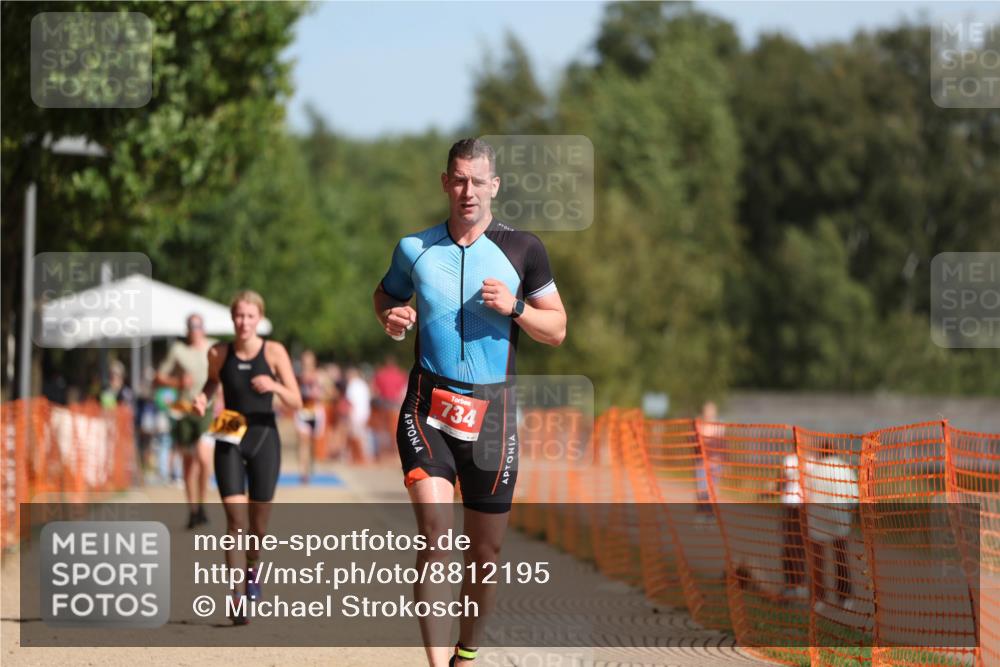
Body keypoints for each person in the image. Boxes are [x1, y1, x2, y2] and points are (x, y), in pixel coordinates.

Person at [373, 138, 567, 666]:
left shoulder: (523, 249)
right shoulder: (415, 248)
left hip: (493, 416)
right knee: (436, 537)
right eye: (459, 179)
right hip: (426, 406)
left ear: (494, 187)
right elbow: (385, 295)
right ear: (445, 182)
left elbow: (558, 328)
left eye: (478, 181)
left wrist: (517, 308)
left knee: (485, 554)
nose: (468, 191)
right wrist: (389, 317)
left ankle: (467, 654)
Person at [193, 290, 301, 625]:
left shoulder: (274, 351)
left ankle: (253, 570)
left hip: (264, 434)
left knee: (257, 524)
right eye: (239, 316)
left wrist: (275, 386)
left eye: (250, 316)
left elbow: (297, 401)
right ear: (232, 318)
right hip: (230, 429)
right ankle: (237, 594)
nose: (244, 322)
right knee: (235, 521)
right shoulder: (218, 352)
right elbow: (212, 383)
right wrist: (202, 398)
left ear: (259, 319)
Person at [155, 314, 215, 529]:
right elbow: (159, 377)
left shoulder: (214, 347)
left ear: (204, 327)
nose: (195, 329)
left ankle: (203, 504)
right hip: (184, 410)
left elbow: (223, 377)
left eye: (199, 325)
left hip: (206, 409)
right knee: (189, 464)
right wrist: (177, 381)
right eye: (192, 326)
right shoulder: (178, 351)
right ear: (187, 329)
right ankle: (193, 511)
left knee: (204, 457)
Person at [294, 350, 326, 483]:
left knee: (313, 443)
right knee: (303, 442)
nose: (307, 363)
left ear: (314, 361)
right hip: (302, 411)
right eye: (304, 360)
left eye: (309, 360)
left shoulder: (320, 375)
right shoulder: (298, 376)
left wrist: (319, 391)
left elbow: (330, 392)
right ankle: (303, 472)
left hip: (316, 411)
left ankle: (311, 465)